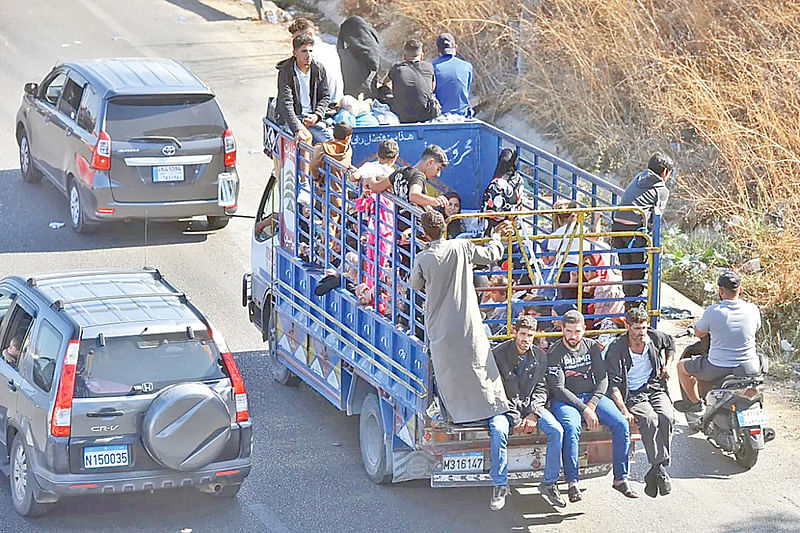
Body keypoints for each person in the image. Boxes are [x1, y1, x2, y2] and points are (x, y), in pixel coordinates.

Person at [409, 210, 514, 510]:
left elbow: (415, 285)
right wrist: (497, 236)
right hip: (469, 327)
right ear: (445, 228)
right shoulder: (461, 246)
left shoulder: (424, 258)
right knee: (480, 372)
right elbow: (491, 254)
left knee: (446, 374)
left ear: (424, 232)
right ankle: (493, 410)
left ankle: (449, 412)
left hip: (440, 329)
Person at [546, 310, 638, 501]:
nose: (573, 336)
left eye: (577, 331)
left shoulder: (591, 347)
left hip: (591, 397)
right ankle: (572, 483)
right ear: (562, 329)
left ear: (584, 330)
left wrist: (593, 404)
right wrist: (584, 409)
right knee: (571, 428)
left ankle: (620, 478)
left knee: (621, 424)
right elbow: (558, 388)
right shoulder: (554, 352)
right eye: (569, 331)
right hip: (566, 401)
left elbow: (603, 379)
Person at [493, 315, 566, 509]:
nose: (526, 339)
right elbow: (495, 391)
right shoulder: (498, 354)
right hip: (503, 408)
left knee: (556, 430)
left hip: (531, 407)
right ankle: (500, 485)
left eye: (530, 335)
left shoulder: (540, 355)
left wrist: (534, 413)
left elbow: (542, 388)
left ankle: (549, 483)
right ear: (514, 333)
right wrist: (516, 418)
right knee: (498, 431)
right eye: (523, 334)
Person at [606, 306, 676, 498]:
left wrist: (667, 365)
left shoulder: (653, 338)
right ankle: (659, 469)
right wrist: (623, 409)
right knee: (650, 420)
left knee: (667, 417)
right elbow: (613, 384)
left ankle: (657, 468)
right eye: (636, 328)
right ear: (627, 326)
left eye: (644, 328)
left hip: (654, 388)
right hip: (633, 394)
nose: (641, 333)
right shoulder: (617, 348)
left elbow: (671, 344)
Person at [675, 270, 762, 412]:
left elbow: (699, 332)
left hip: (717, 366)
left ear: (721, 291)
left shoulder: (713, 311)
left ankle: (696, 404)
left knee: (681, 367)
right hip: (749, 366)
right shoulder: (752, 309)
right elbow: (755, 328)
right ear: (740, 290)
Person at [610, 152, 674, 306]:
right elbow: (656, 217)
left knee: (627, 270)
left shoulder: (639, 177)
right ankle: (637, 307)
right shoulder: (661, 190)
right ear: (665, 172)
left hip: (617, 230)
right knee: (639, 273)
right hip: (636, 234)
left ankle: (629, 306)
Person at [276, 34, 332, 144]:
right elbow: (286, 102)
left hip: (312, 118)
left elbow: (325, 96)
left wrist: (317, 115)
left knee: (330, 145)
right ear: (295, 53)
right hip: (293, 119)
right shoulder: (286, 71)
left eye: (311, 51)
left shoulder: (318, 69)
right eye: (304, 51)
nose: (308, 55)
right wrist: (297, 128)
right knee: (304, 141)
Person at [367, 145, 449, 210]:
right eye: (438, 169)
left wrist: (371, 177)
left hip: (398, 225)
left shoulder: (399, 171)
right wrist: (434, 201)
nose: (438, 174)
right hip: (414, 227)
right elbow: (414, 195)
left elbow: (376, 187)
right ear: (430, 162)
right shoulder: (418, 176)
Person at [289, 18, 344, 106]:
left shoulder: (309, 55)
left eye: (298, 38)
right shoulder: (331, 48)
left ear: (309, 34)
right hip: (338, 100)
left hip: (322, 105)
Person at [388, 39, 441, 124]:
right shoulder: (429, 67)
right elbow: (432, 88)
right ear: (422, 55)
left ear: (404, 56)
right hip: (426, 115)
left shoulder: (396, 69)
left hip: (403, 117)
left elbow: (386, 85)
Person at [337, 16, 381, 98]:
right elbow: (374, 64)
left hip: (351, 97)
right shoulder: (372, 48)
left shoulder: (347, 54)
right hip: (369, 95)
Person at [431, 33, 474, 117]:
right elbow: (466, 91)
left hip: (440, 117)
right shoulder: (467, 66)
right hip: (462, 116)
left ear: (438, 50)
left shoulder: (431, 67)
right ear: (456, 47)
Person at [482, 149, 523, 234]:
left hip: (497, 229)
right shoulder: (518, 179)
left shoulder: (496, 183)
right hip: (514, 226)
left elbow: (488, 203)